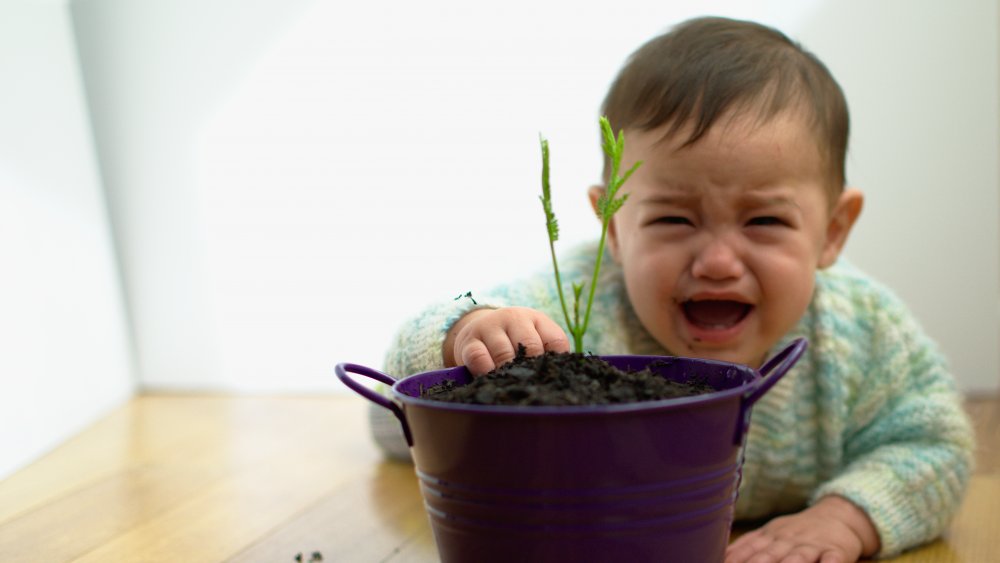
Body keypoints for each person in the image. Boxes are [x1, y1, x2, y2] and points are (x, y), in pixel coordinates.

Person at [370, 16, 975, 562]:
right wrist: (468, 332)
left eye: (764, 221)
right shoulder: (577, 305)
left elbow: (933, 445)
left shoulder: (863, 330)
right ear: (613, 225)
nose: (715, 262)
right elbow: (407, 364)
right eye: (673, 220)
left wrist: (846, 517)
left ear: (832, 231)